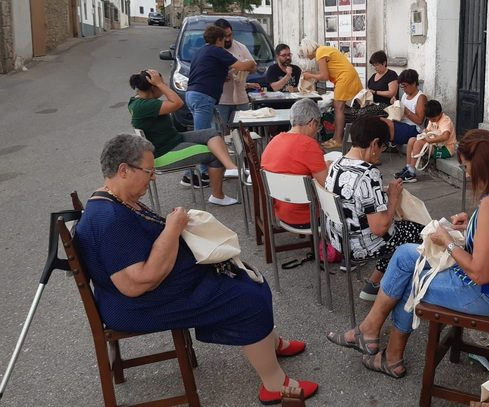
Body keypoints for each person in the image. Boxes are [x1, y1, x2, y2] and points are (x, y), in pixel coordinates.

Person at [75, 134, 319, 404]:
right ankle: (274, 384)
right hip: (139, 305)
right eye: (149, 171)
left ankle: (269, 343)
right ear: (123, 170)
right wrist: (172, 228)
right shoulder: (110, 221)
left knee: (244, 278)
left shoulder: (112, 201)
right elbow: (136, 284)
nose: (153, 177)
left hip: (152, 293)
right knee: (247, 297)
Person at [326, 129, 489, 378]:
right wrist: (472, 224)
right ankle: (369, 331)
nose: (467, 174)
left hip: (483, 294)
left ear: (482, 165)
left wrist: (447, 241)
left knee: (408, 282)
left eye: (467, 167)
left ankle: (390, 356)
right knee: (404, 255)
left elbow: (480, 273)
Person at [323, 117, 424, 301]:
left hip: (338, 239)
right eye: (383, 147)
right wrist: (393, 198)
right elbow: (380, 229)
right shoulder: (369, 173)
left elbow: (355, 200)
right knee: (417, 232)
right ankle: (395, 292)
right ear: (375, 143)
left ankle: (373, 283)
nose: (381, 153)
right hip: (359, 246)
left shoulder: (336, 163)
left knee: (399, 231)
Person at [128, 69, 240, 206]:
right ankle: (218, 196)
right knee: (215, 154)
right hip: (164, 152)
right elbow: (178, 103)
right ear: (153, 87)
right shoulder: (145, 106)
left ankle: (230, 167)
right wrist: (161, 84)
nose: (163, 90)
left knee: (212, 133)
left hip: (173, 139)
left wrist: (158, 83)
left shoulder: (137, 101)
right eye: (160, 86)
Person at [261, 98, 327, 228]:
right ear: (312, 123)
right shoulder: (309, 145)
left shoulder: (274, 141)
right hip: (308, 215)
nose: (316, 132)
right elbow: (326, 185)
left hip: (280, 212)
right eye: (317, 126)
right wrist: (329, 167)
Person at [186, 25, 256, 132]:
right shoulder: (218, 50)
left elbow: (205, 71)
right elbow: (242, 66)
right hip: (204, 95)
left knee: (206, 129)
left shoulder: (200, 51)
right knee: (202, 134)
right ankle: (203, 149)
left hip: (190, 94)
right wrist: (251, 62)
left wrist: (222, 76)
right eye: (224, 39)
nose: (225, 42)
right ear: (219, 39)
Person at [299, 38, 363, 150]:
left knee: (339, 108)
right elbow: (325, 73)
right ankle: (335, 138)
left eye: (304, 54)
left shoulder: (320, 53)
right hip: (345, 77)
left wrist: (310, 75)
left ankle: (338, 140)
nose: (306, 57)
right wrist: (312, 73)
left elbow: (324, 76)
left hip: (344, 78)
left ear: (308, 50)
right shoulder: (323, 50)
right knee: (337, 107)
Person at [214, 18, 261, 126]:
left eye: (230, 35)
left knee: (245, 131)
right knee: (222, 132)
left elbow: (254, 68)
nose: (228, 39)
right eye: (224, 37)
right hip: (221, 101)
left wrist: (243, 68)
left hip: (241, 100)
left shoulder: (241, 47)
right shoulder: (214, 50)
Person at [394, 99, 455, 183]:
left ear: (440, 113)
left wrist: (430, 140)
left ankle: (411, 173)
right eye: (430, 119)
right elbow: (427, 130)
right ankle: (408, 167)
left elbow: (445, 136)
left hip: (445, 149)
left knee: (418, 144)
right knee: (412, 140)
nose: (431, 120)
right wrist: (424, 134)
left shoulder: (445, 120)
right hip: (435, 145)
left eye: (433, 118)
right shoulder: (431, 119)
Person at [380, 69, 427, 147]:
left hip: (415, 129)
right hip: (402, 124)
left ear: (414, 84)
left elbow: (419, 121)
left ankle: (387, 145)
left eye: (405, 86)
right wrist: (395, 105)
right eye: (402, 87)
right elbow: (400, 113)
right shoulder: (405, 95)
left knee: (386, 125)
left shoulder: (421, 97)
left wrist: (405, 110)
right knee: (379, 121)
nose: (404, 90)